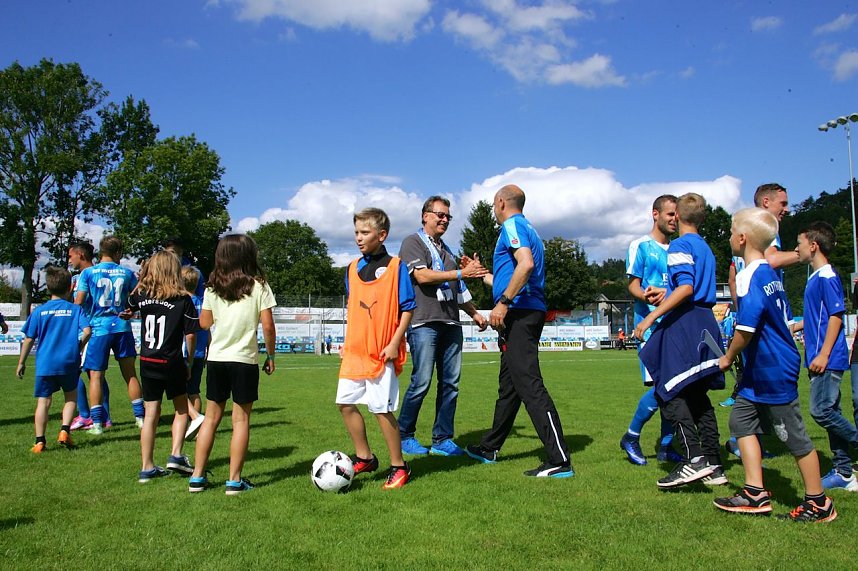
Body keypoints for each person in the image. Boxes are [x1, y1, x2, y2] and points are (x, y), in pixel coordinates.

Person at [713, 208, 837, 522]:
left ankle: (819, 502)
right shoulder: (768, 272)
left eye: (731, 233)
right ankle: (755, 493)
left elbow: (746, 328)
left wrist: (727, 356)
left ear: (742, 239)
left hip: (773, 368)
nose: (730, 238)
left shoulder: (751, 275)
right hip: (760, 370)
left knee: (792, 436)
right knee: (741, 421)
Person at [464, 185, 574, 478]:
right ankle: (489, 447)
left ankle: (559, 459)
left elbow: (526, 265)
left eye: (493, 205)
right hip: (524, 310)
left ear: (501, 202)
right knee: (510, 386)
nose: (494, 210)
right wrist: (481, 274)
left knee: (529, 385)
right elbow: (511, 275)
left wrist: (503, 303)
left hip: (521, 312)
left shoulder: (512, 226)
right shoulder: (529, 229)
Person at [634, 193, 724, 488]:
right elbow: (690, 286)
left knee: (667, 390)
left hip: (685, 323)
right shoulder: (704, 247)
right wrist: (667, 292)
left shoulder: (680, 245)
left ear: (680, 216)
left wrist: (650, 317)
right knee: (697, 395)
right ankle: (713, 463)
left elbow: (686, 288)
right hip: (705, 320)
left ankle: (693, 458)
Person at [397, 195, 488, 457]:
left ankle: (442, 439)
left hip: (451, 323)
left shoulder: (447, 251)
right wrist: (461, 272)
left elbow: (457, 288)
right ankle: (404, 436)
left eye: (448, 216)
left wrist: (474, 314)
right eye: (440, 215)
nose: (445, 220)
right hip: (424, 321)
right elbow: (422, 276)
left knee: (451, 384)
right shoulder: (412, 242)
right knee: (422, 381)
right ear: (425, 215)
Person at [189, 234, 276, 495]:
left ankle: (197, 477)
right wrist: (271, 356)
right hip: (244, 361)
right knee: (241, 420)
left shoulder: (212, 288)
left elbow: (204, 323)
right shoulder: (259, 286)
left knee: (211, 418)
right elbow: (268, 326)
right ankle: (234, 481)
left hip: (217, 359)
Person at [338, 208, 415, 489]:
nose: (359, 237)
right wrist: (347, 342)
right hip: (355, 352)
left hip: (382, 351)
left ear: (381, 235)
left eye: (365, 232)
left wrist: (395, 342)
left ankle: (399, 466)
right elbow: (354, 310)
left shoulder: (396, 267)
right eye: (356, 232)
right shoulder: (352, 269)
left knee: (381, 409)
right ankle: (365, 457)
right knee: (345, 404)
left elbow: (408, 308)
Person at [793, 221, 858, 492]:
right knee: (833, 411)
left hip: (826, 358)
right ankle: (844, 472)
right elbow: (816, 317)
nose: (796, 249)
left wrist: (824, 353)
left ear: (813, 245)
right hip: (818, 357)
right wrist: (795, 326)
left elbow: (835, 316)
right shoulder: (815, 277)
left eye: (799, 243)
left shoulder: (827, 276)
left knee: (821, 411)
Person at [125, 251, 200, 483]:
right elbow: (191, 334)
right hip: (172, 360)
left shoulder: (143, 295)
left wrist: (141, 278)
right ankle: (176, 454)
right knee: (181, 409)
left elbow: (129, 302)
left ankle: (147, 467)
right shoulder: (183, 299)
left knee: (151, 414)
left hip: (148, 361)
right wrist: (189, 361)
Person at [619, 195, 682, 466]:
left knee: (674, 389)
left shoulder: (680, 248)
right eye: (670, 214)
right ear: (655, 214)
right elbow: (633, 285)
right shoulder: (641, 246)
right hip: (650, 328)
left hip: (676, 327)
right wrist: (648, 296)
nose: (674, 219)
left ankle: (666, 447)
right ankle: (632, 436)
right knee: (663, 387)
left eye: (677, 215)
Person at [17, 267, 91, 453]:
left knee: (44, 401)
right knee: (71, 397)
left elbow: (29, 339)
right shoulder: (75, 309)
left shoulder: (39, 311)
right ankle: (64, 431)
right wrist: (78, 346)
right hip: (68, 361)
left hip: (45, 363)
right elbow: (88, 331)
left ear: (49, 287)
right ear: (70, 287)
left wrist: (21, 362)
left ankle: (40, 441)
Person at [74, 236, 143, 434]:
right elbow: (137, 297)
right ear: (118, 252)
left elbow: (79, 302)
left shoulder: (88, 273)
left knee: (96, 376)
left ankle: (97, 424)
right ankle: (140, 419)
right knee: (130, 374)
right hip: (122, 327)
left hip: (98, 328)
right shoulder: (127, 273)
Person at [67, 241, 111, 431]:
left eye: (71, 256)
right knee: (96, 374)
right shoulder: (82, 276)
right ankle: (104, 417)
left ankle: (86, 415)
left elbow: (80, 304)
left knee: (75, 371)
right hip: (91, 330)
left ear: (81, 255)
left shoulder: (89, 275)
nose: (70, 260)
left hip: (88, 330)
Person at [182, 265, 207, 441]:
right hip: (199, 352)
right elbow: (208, 329)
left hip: (184, 352)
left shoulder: (181, 302)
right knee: (194, 391)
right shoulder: (203, 303)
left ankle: (193, 419)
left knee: (178, 391)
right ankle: (195, 426)